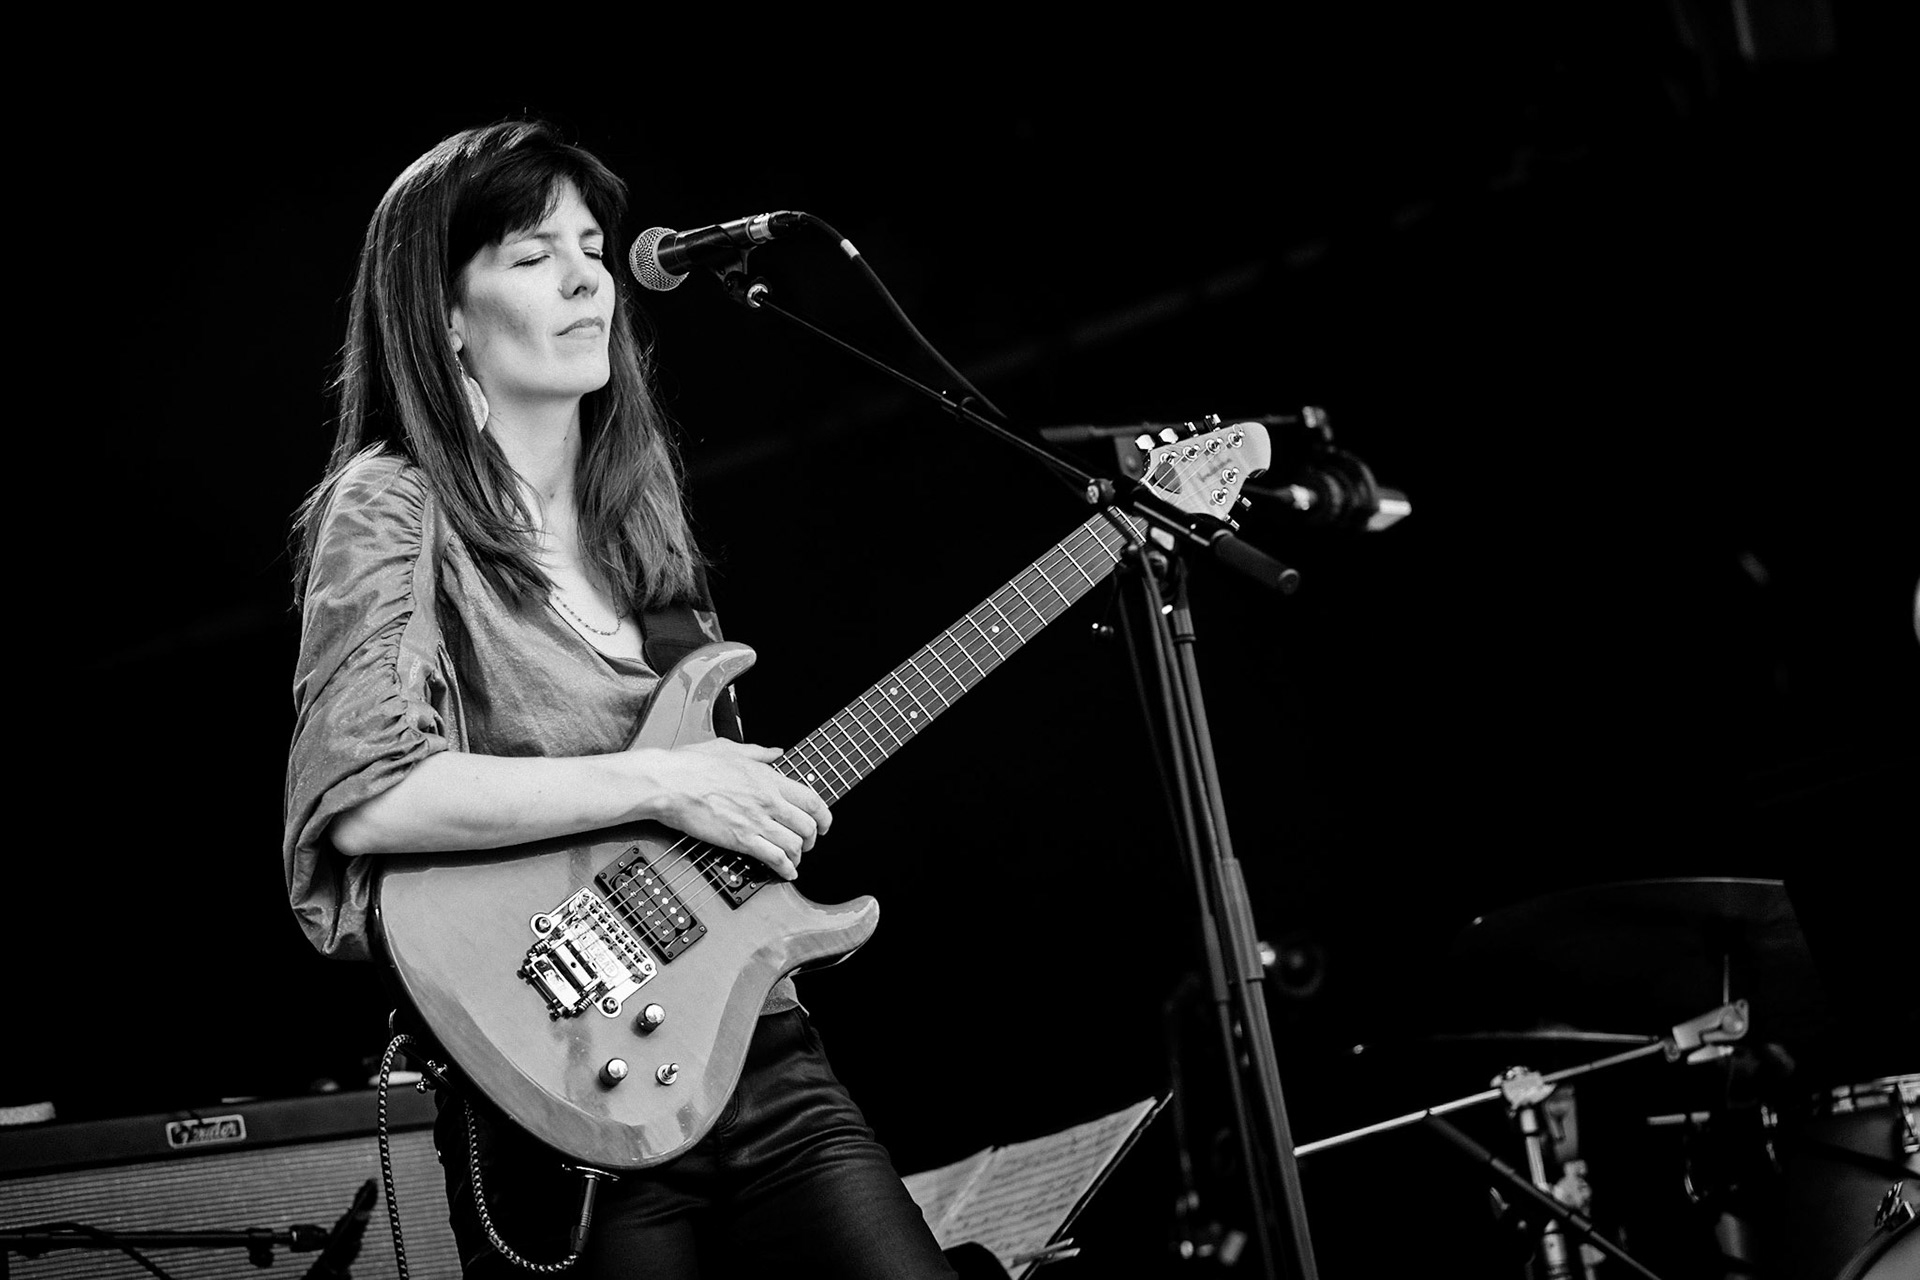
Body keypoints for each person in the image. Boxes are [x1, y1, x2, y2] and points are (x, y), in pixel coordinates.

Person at [283, 119, 959, 1279]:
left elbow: (703, 817)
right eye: (532, 252)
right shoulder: (392, 507)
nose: (588, 273)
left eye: (591, 244)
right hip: (557, 1085)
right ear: (443, 312)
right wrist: (673, 779)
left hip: (763, 1055)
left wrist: (750, 807)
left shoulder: (640, 527)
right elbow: (368, 795)